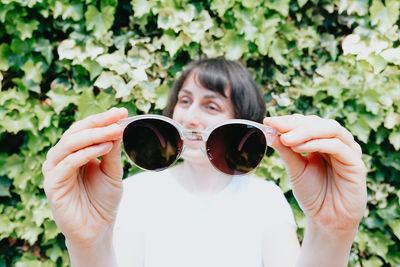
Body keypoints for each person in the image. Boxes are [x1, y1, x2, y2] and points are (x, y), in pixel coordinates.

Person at [42, 58, 367, 267]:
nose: (191, 117)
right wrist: (87, 247)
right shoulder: (133, 192)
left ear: (241, 123)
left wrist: (331, 235)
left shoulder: (264, 198)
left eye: (211, 106)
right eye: (184, 101)